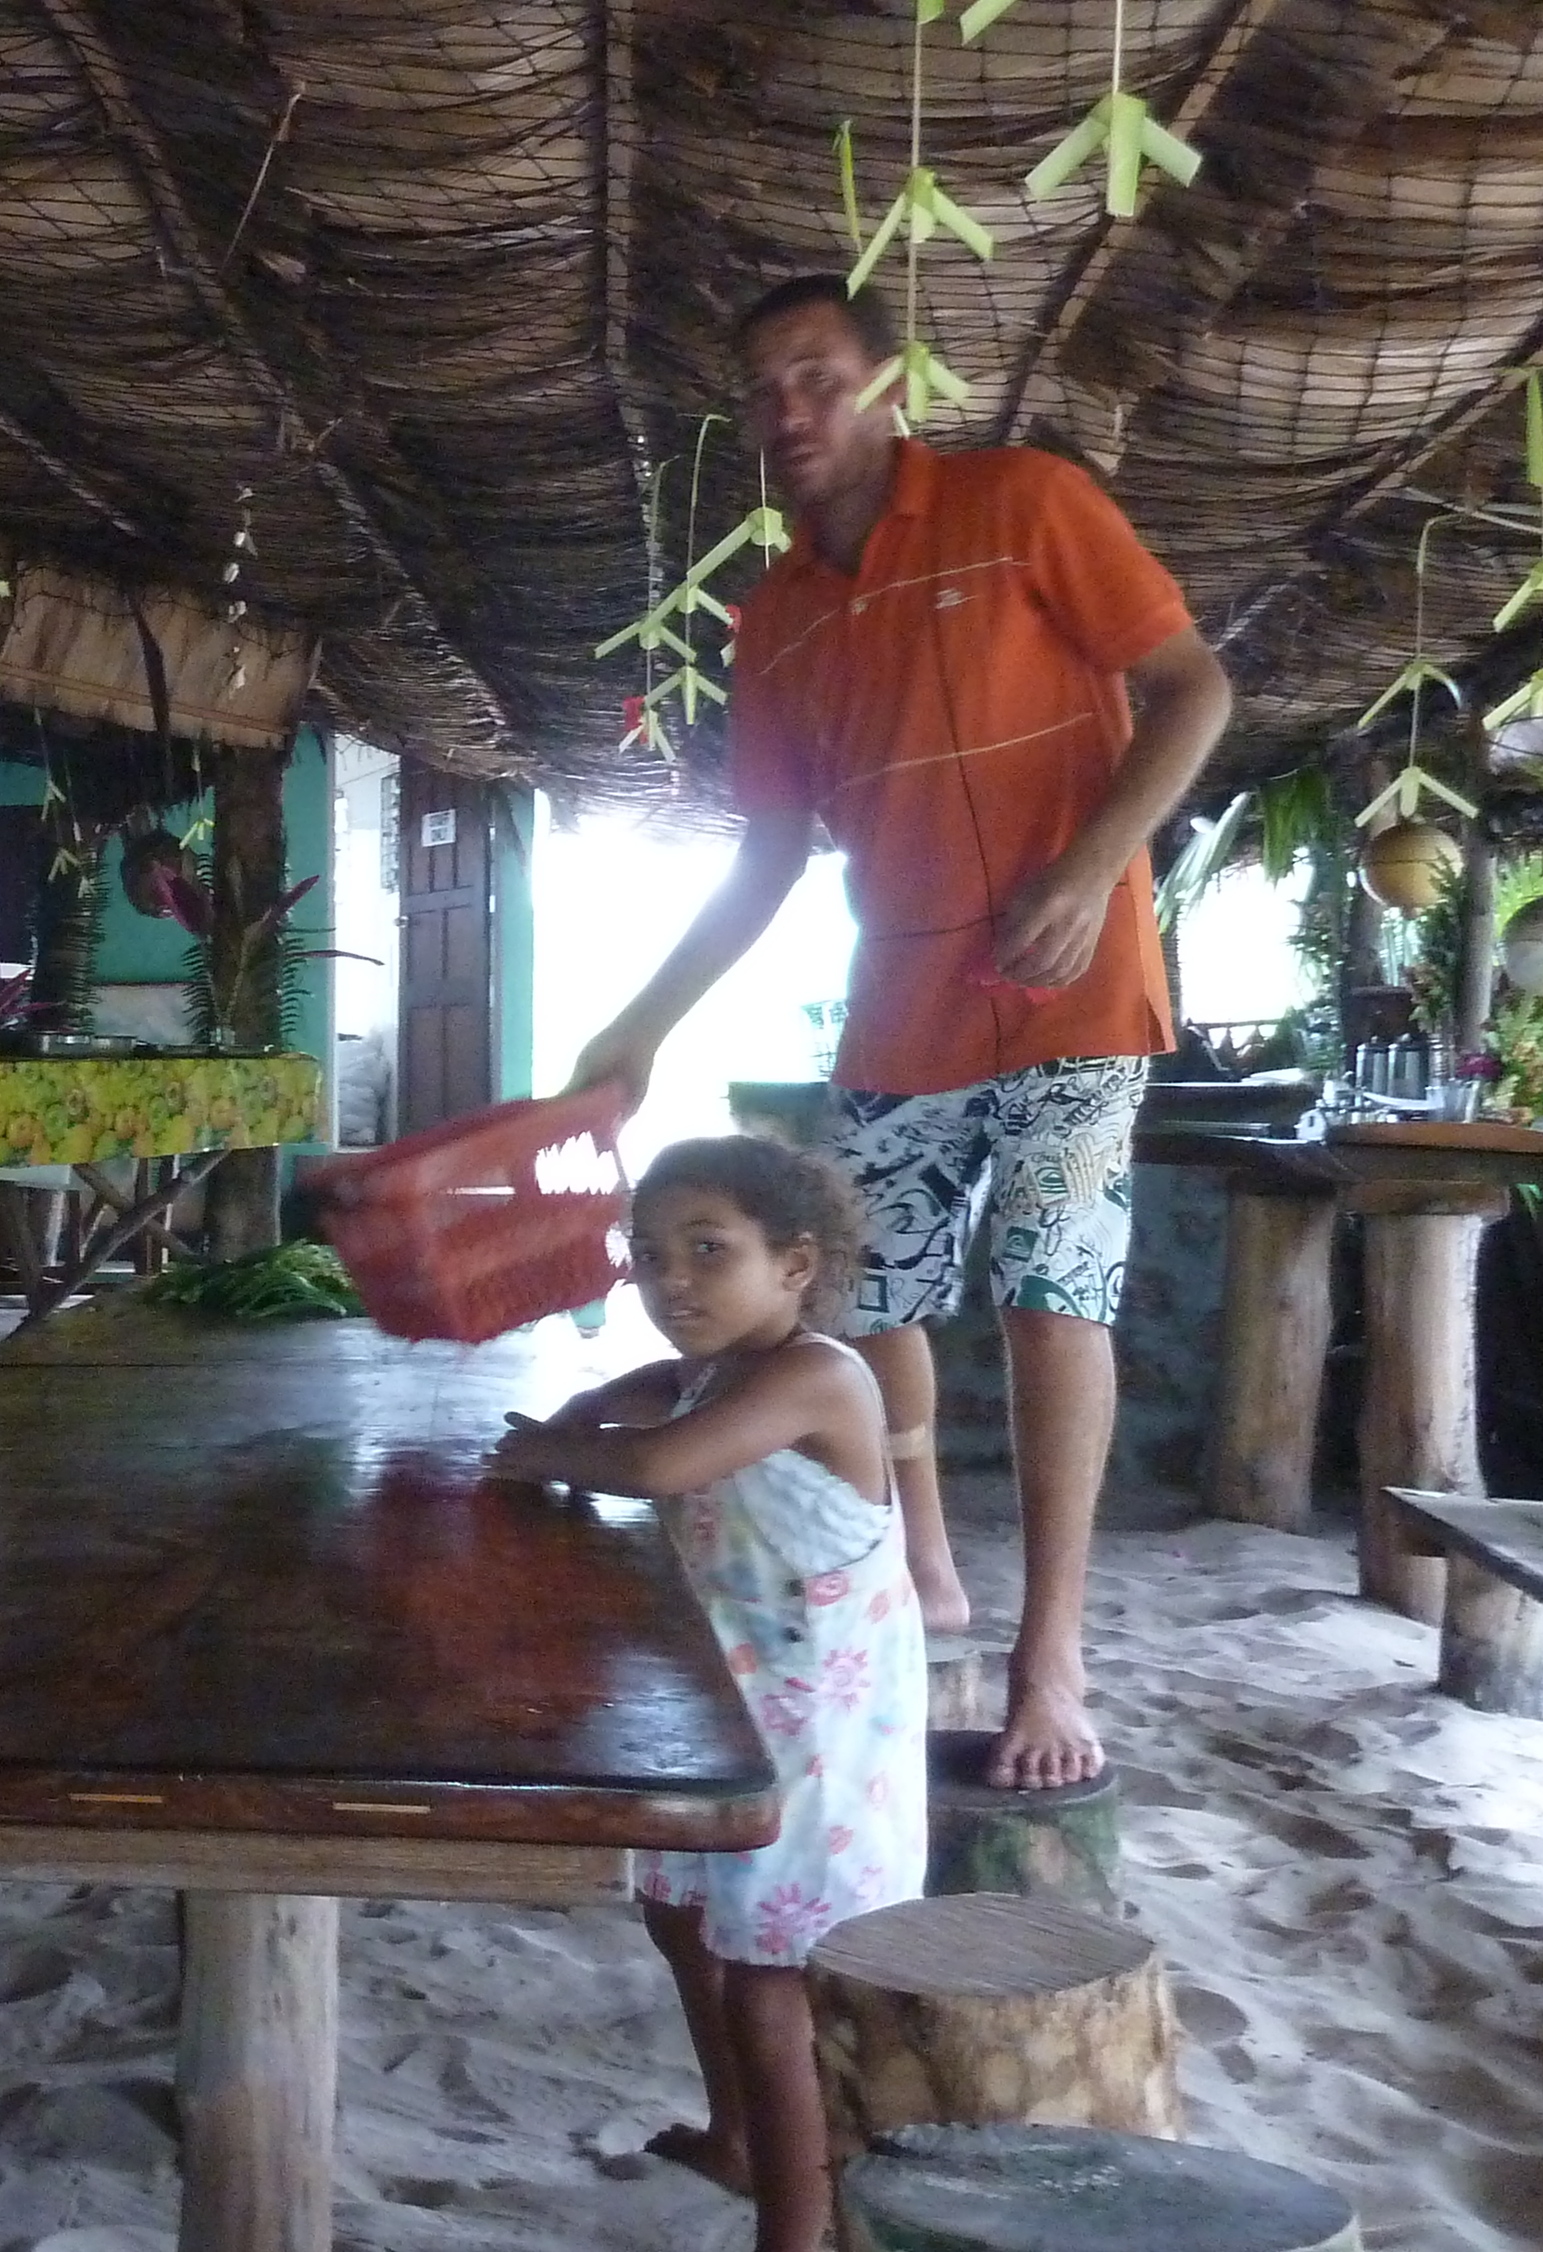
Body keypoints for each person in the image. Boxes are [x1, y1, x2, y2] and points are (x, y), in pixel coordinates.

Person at [569, 273, 1233, 1791]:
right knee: (876, 1299)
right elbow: (764, 860)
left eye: (816, 376)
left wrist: (1089, 868)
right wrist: (640, 1023)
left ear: (887, 383)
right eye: (762, 391)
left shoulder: (1026, 502)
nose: (788, 413)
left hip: (1079, 982)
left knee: (1055, 1293)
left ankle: (1052, 1652)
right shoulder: (780, 615)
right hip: (903, 995)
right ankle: (928, 1568)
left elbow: (1193, 690)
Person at [494, 1137, 923, 2252]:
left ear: (795, 1264)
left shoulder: (815, 1373)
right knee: (680, 1919)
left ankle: (795, 2226)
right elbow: (639, 1397)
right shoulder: (713, 1368)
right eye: (646, 1255)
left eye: (706, 1250)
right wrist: (587, 1405)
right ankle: (735, 2139)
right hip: (728, 1715)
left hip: (819, 1745)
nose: (670, 1278)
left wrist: (543, 1453)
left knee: (767, 1989)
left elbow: (653, 1465)